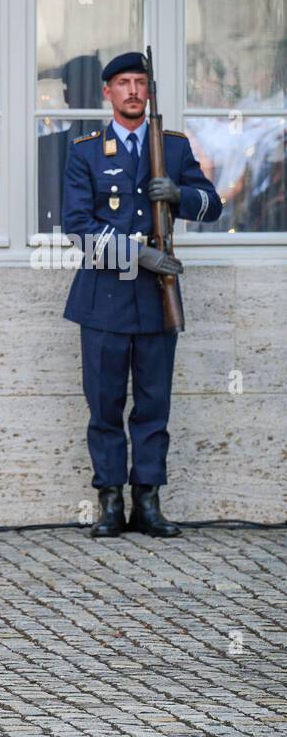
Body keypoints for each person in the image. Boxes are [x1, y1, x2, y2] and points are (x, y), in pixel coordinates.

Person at [61, 51, 222, 538]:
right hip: (104, 299)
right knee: (105, 405)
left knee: (154, 404)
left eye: (140, 82)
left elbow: (211, 205)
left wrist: (178, 194)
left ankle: (147, 501)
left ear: (149, 92)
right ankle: (110, 502)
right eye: (123, 83)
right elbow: (78, 226)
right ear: (107, 92)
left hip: (156, 298)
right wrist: (138, 256)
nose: (133, 90)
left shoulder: (172, 148)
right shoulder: (86, 151)